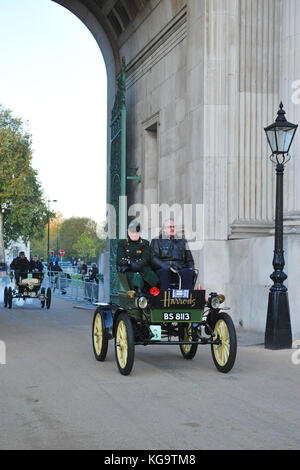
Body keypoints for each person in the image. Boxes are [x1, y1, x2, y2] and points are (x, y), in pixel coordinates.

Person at [150, 219, 195, 289]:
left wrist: (191, 269)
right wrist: (167, 266)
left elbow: (189, 260)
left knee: (188, 272)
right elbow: (153, 258)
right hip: (164, 269)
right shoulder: (156, 241)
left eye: (174, 227)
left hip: (179, 270)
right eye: (169, 227)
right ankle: (163, 298)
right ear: (164, 229)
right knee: (165, 272)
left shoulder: (183, 241)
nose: (172, 229)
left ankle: (185, 298)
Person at [117, 221, 159, 295]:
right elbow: (120, 259)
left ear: (140, 233)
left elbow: (145, 258)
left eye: (137, 232)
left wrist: (136, 264)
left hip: (142, 268)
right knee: (136, 277)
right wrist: (130, 262)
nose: (134, 234)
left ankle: (150, 295)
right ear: (128, 232)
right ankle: (138, 295)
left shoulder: (145, 243)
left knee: (152, 277)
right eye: (132, 232)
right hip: (128, 268)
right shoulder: (122, 243)